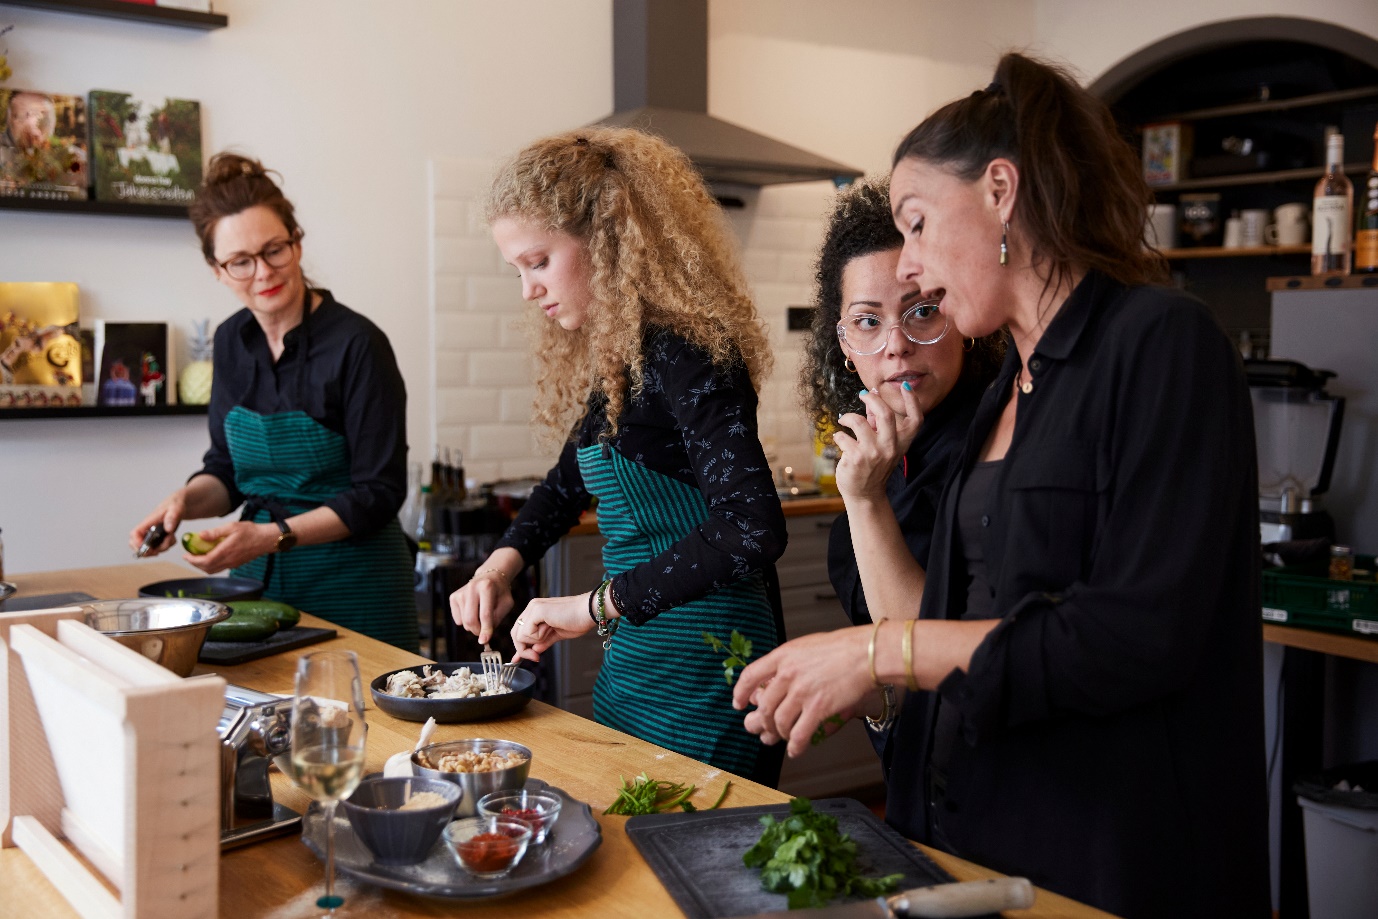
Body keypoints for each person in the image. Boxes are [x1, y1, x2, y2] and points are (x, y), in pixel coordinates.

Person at [734, 52, 1269, 919]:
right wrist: (845, 671)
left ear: (998, 191)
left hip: (1104, 859)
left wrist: (872, 652)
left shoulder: (1161, 341)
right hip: (966, 841)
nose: (906, 267)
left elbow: (1132, 636)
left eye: (914, 223)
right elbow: (937, 626)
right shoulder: (1000, 398)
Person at [450, 127, 788, 784]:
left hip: (712, 671)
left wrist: (590, 606)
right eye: (516, 269)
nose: (528, 290)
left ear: (606, 238)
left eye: (538, 262)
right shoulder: (623, 359)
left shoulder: (689, 352)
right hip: (638, 664)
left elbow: (752, 528)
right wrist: (501, 564)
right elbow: (562, 485)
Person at [130, 152, 417, 652]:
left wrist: (271, 535)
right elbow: (225, 471)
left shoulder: (358, 344)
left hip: (358, 586)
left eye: (274, 251)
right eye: (241, 261)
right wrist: (184, 501)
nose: (262, 272)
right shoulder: (229, 343)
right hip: (255, 588)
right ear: (217, 270)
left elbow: (379, 492)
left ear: (297, 242)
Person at [801, 177, 1002, 634]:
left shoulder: (994, 441)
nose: (896, 345)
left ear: (964, 316)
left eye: (924, 312)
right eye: (868, 321)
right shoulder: (879, 447)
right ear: (845, 344)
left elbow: (923, 648)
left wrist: (866, 499)